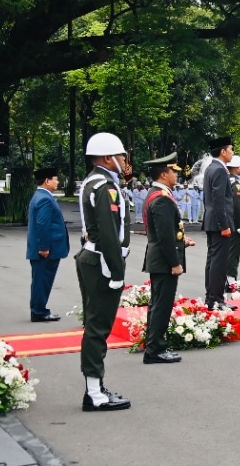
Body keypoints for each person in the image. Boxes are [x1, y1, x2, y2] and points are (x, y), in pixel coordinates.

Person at [76, 131, 133, 411]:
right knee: (98, 328)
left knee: (95, 325)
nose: (124, 160)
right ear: (108, 157)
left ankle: (95, 387)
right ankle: (95, 393)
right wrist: (116, 270)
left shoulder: (95, 182)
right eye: (121, 155)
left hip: (91, 256)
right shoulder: (104, 187)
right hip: (101, 261)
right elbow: (110, 234)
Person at [141, 154, 194, 365]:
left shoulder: (157, 193)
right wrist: (175, 263)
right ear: (164, 174)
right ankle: (155, 349)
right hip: (164, 261)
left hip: (160, 258)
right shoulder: (162, 198)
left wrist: (183, 241)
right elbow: (163, 236)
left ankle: (154, 344)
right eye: (174, 171)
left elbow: (168, 232)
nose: (177, 175)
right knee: (161, 305)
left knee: (158, 303)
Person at [27, 166, 69, 322]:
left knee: (41, 280)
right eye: (55, 179)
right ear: (47, 181)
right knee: (42, 281)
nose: (58, 182)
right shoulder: (45, 198)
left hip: (44, 248)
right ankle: (38, 311)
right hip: (46, 250)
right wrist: (43, 247)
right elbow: (42, 224)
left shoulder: (39, 196)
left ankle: (38, 309)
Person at [201, 135, 236, 311]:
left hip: (211, 220)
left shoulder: (210, 168)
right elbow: (219, 200)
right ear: (222, 151)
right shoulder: (220, 170)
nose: (232, 152)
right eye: (230, 149)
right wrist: (224, 225)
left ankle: (211, 298)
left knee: (213, 260)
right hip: (219, 222)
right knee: (219, 262)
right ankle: (216, 299)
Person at [225, 155, 240, 285]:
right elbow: (237, 205)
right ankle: (231, 278)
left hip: (229, 220)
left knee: (229, 251)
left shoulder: (228, 181)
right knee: (234, 251)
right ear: (236, 168)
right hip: (235, 221)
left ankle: (228, 278)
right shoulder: (236, 184)